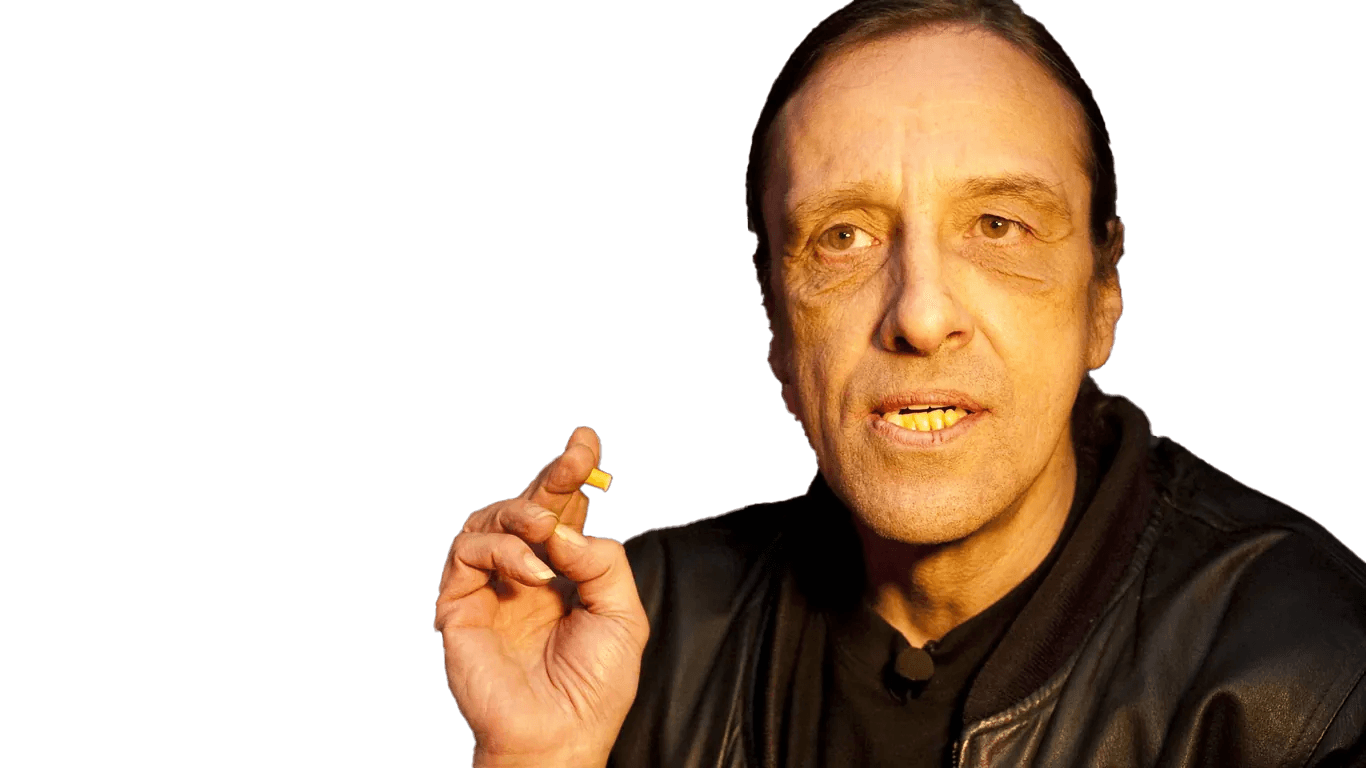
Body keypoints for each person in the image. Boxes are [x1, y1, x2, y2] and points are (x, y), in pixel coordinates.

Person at [433, 1, 1366, 766]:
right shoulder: (640, 628)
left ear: (1103, 298)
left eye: (998, 226)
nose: (919, 315)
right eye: (843, 237)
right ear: (775, 324)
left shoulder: (1313, 674)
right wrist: (537, 758)